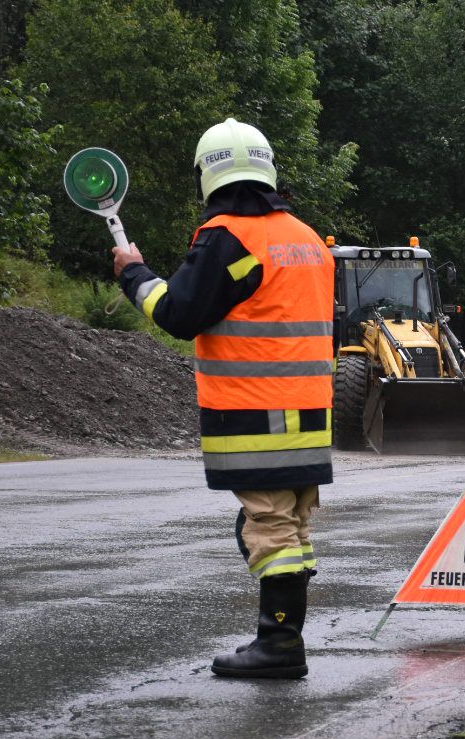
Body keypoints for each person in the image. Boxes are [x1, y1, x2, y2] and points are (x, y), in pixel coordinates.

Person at [113, 118, 333, 679]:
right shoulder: (307, 240)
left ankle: (280, 645)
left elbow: (180, 313)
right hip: (308, 410)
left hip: (254, 408)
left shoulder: (229, 237)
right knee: (289, 525)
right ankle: (283, 633)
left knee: (266, 525)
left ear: (206, 177)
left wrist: (135, 274)